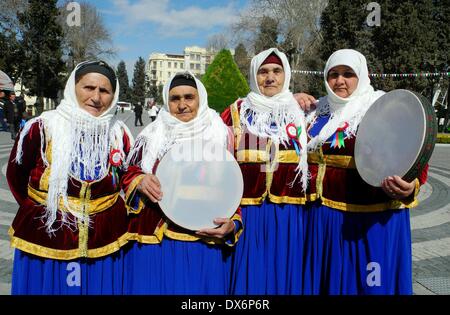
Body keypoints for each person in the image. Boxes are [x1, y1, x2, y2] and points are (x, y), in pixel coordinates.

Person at [303, 49, 428, 294]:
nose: (340, 81)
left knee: (368, 285)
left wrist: (411, 187)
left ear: (362, 75)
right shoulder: (316, 111)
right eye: (333, 74)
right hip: (323, 220)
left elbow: (413, 152)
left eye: (348, 74)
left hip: (370, 221)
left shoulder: (383, 107)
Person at [7, 60, 134, 294]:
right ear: (73, 88)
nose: (96, 97)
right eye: (88, 87)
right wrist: (47, 209)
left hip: (103, 239)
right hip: (48, 236)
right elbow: (16, 175)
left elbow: (127, 176)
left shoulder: (119, 134)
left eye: (104, 91)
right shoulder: (42, 127)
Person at [122, 71, 243, 294]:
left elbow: (233, 187)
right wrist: (139, 180)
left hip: (205, 241)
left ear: (200, 99)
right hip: (157, 241)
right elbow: (128, 172)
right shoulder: (150, 136)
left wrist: (233, 224)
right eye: (175, 98)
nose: (182, 104)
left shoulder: (221, 134)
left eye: (189, 97)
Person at [221, 48, 309, 294]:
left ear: (286, 75)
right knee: (250, 282)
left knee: (286, 277)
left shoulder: (302, 111)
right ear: (253, 75)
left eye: (277, 71)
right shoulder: (235, 111)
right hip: (247, 217)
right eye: (263, 71)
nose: (270, 78)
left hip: (290, 216)